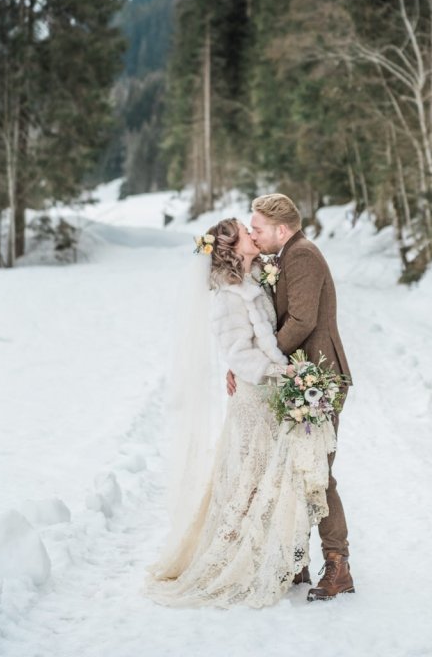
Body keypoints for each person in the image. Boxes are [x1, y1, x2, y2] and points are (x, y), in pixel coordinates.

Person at [142, 217, 336, 609]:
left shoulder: (255, 280)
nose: (252, 232)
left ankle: (274, 555)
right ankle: (236, 558)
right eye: (244, 231)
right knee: (249, 478)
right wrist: (278, 373)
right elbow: (239, 352)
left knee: (273, 476)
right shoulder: (226, 298)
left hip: (270, 393)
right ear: (232, 247)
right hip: (254, 396)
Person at [227, 193, 354, 601]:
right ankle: (297, 560)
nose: (254, 234)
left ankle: (338, 567)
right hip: (300, 375)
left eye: (259, 228)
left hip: (318, 377)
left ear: (281, 229)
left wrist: (263, 363)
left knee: (317, 471)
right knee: (295, 468)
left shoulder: (302, 256)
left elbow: (301, 320)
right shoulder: (284, 255)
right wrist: (243, 359)